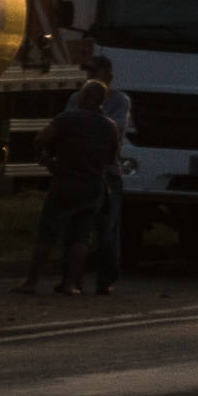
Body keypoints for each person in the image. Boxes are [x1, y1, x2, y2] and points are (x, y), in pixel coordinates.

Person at [21, 80, 120, 295]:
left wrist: (45, 159)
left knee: (47, 232)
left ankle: (31, 282)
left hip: (65, 182)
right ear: (102, 101)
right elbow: (113, 157)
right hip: (93, 185)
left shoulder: (66, 119)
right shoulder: (109, 126)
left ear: (83, 98)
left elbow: (41, 138)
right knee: (81, 237)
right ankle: (70, 284)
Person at [81, 56, 135, 294]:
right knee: (77, 226)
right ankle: (70, 277)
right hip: (81, 168)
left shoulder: (120, 101)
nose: (90, 77)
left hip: (107, 171)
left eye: (95, 72)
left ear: (109, 75)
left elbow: (117, 130)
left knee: (107, 229)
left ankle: (106, 278)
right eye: (89, 72)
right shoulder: (76, 98)